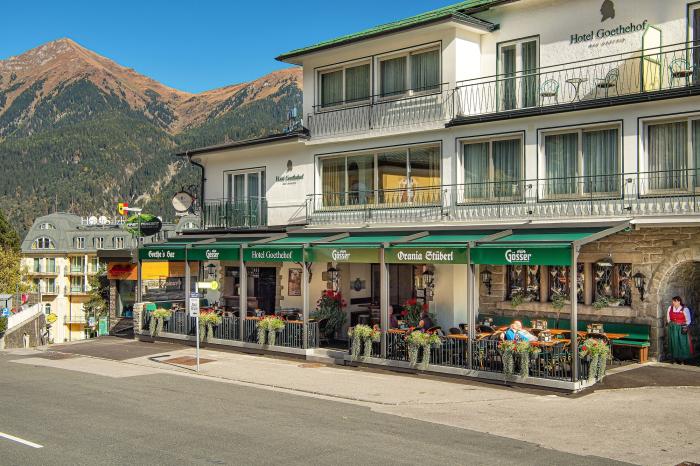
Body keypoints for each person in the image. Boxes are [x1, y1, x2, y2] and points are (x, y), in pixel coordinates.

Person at [667, 296, 694, 363]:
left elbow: (688, 320)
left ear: (679, 301)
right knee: (674, 342)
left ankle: (684, 358)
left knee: (682, 342)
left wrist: (684, 326)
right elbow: (668, 318)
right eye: (673, 301)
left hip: (681, 328)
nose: (673, 302)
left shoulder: (685, 309)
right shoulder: (670, 308)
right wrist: (671, 325)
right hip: (673, 328)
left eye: (675, 301)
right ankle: (676, 358)